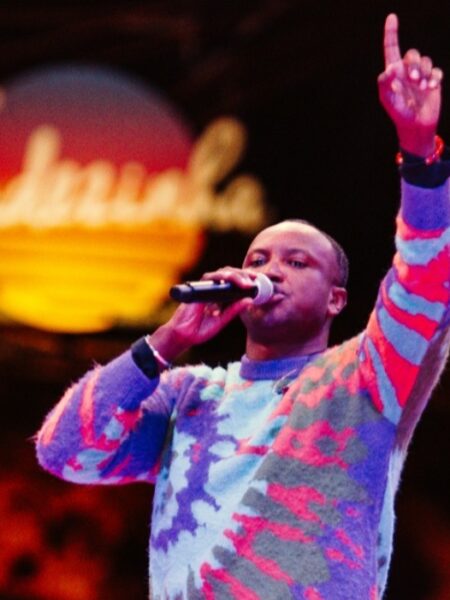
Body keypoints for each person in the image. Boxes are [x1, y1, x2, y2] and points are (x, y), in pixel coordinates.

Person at [36, 14, 450, 600]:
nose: (269, 271)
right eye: (258, 259)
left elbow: (426, 280)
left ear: (336, 300)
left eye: (297, 262)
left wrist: (419, 150)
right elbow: (63, 452)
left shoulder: (362, 376)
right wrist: (167, 343)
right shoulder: (189, 393)